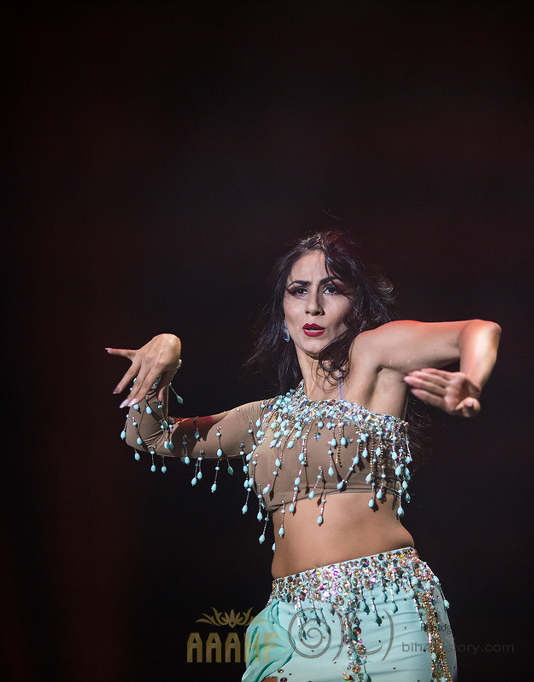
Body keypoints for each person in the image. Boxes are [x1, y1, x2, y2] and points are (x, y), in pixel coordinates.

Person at [108, 230, 500, 682]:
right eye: (298, 291)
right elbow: (149, 436)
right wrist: (166, 353)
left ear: (357, 305)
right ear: (283, 311)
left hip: (386, 613)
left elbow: (480, 331)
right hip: (291, 625)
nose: (313, 306)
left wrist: (471, 379)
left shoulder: (372, 358)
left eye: (331, 289)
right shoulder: (264, 418)